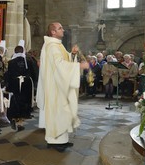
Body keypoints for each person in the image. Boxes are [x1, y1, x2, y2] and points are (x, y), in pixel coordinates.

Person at [36, 22, 89, 152]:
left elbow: (64, 60)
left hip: (58, 85)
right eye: (60, 28)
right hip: (55, 86)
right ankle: (55, 142)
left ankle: (62, 140)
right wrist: (79, 66)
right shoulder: (52, 46)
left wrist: (72, 54)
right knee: (58, 113)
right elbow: (60, 65)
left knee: (62, 113)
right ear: (53, 32)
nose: (63, 30)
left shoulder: (56, 45)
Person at [5, 45, 34, 131]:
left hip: (15, 84)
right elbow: (33, 73)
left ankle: (14, 119)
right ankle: (20, 123)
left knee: (15, 102)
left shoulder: (11, 62)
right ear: (23, 51)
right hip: (26, 84)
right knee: (24, 103)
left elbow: (8, 75)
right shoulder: (28, 61)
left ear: (15, 52)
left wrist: (8, 87)